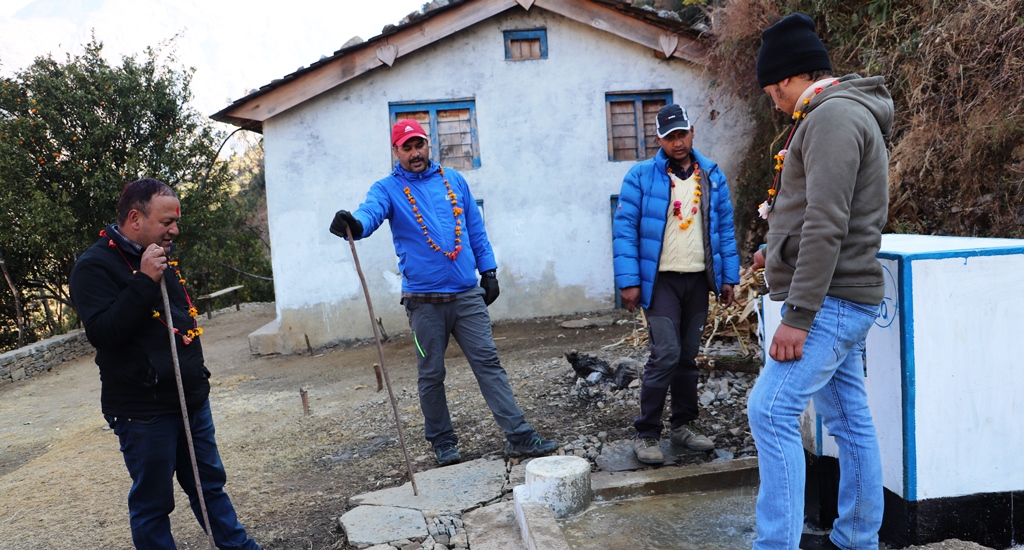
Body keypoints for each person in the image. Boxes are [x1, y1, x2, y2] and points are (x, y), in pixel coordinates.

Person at [329, 119, 558, 466]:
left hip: (467, 295)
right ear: (395, 151)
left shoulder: (454, 181)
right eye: (406, 148)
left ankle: (520, 436)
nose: (415, 153)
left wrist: (489, 271)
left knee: (489, 364)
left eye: (419, 144)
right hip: (423, 302)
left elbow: (475, 230)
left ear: (428, 144)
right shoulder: (387, 189)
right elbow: (370, 214)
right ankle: (442, 442)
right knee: (432, 373)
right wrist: (354, 224)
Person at [747, 13, 892, 550]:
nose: (773, 103)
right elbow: (817, 212)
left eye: (770, 92)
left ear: (787, 78)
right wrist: (775, 250)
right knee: (849, 420)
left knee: (770, 410)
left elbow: (828, 222)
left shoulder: (831, 120)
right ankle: (856, 538)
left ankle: (775, 545)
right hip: (841, 297)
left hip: (829, 303)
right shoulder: (834, 115)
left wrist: (799, 316)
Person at [69, 178, 262, 550]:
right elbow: (104, 333)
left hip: (190, 400)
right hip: (143, 411)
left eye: (176, 221)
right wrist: (143, 280)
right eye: (166, 221)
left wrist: (197, 379)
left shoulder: (159, 254)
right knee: (153, 505)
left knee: (210, 489)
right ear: (135, 218)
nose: (175, 229)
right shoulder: (93, 267)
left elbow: (179, 322)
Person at [612, 103, 740, 465]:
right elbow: (624, 232)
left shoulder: (712, 175)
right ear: (658, 139)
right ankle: (646, 432)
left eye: (682, 134)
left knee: (687, 356)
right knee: (665, 353)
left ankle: (683, 426)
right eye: (669, 137)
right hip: (661, 281)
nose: (677, 142)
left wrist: (729, 277)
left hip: (699, 279)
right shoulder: (640, 177)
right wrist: (629, 282)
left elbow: (725, 230)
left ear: (692, 132)